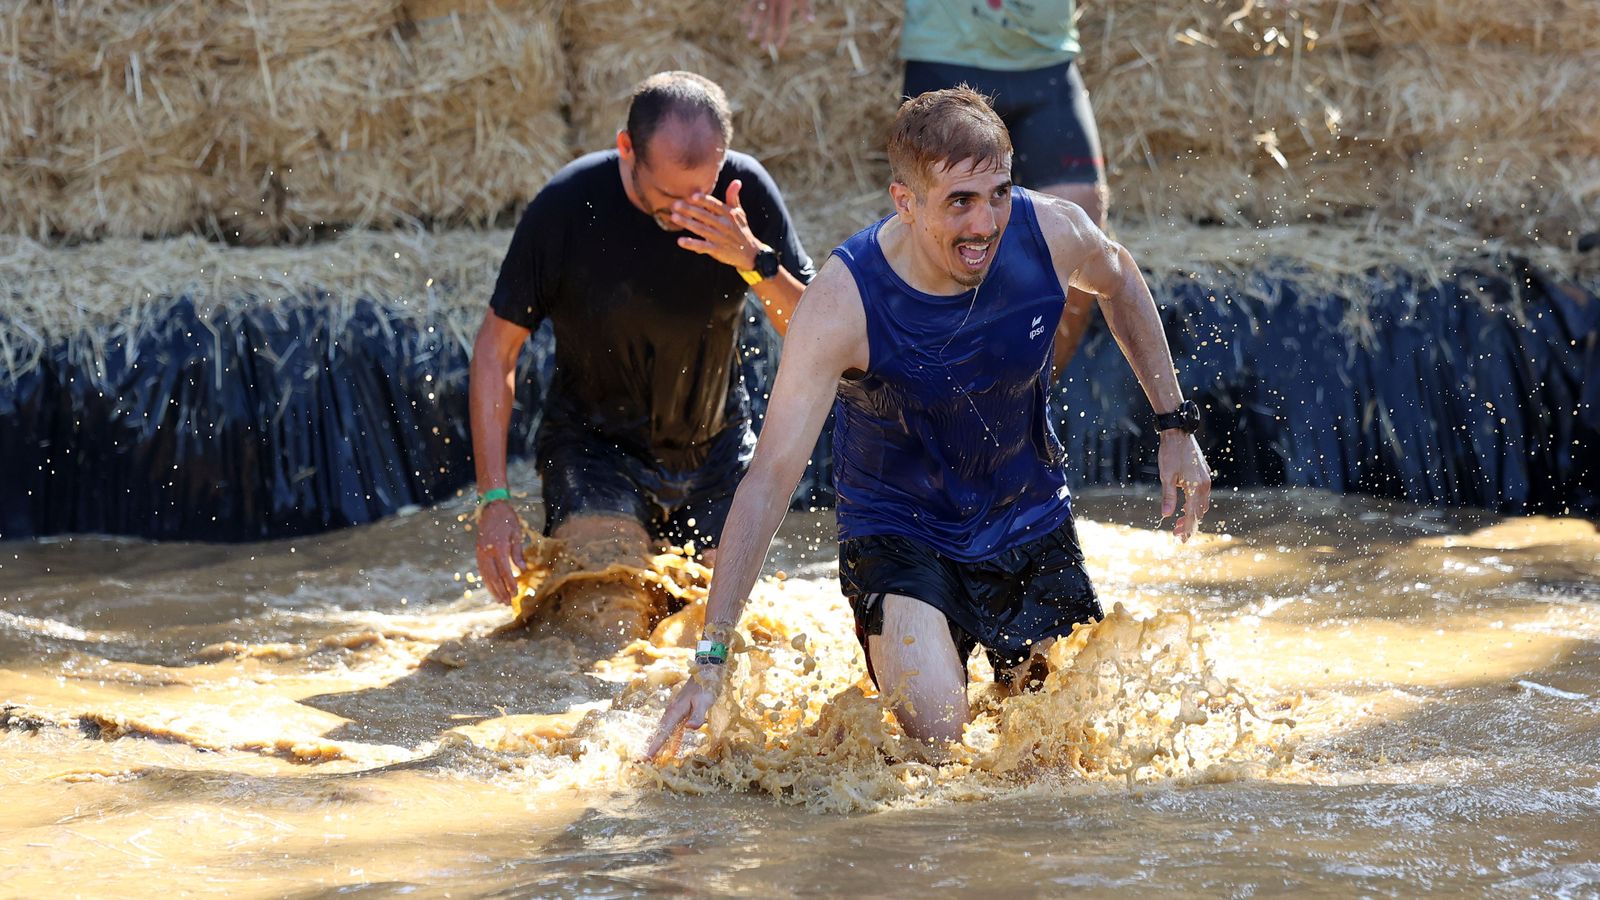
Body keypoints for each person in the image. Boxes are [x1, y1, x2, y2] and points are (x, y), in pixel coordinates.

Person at [647, 87, 1209, 756]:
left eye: (998, 193)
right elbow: (768, 480)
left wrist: (1175, 426)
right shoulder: (843, 301)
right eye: (960, 202)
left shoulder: (1050, 232)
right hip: (899, 538)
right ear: (906, 202)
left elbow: (1118, 278)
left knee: (1056, 753)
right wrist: (710, 660)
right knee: (941, 738)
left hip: (1028, 523)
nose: (985, 225)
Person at [469, 71, 815, 642]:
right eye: (670, 196)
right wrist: (495, 498)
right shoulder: (566, 206)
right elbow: (494, 350)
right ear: (626, 148)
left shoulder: (743, 194)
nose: (686, 209)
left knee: (732, 636)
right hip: (596, 453)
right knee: (606, 629)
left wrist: (752, 259)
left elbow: (815, 334)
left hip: (715, 453)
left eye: (699, 192)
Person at [741, 0, 1108, 376]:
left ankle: (1030, 399)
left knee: (1083, 229)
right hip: (946, 54)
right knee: (943, 231)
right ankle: (936, 398)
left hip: (1048, 60)